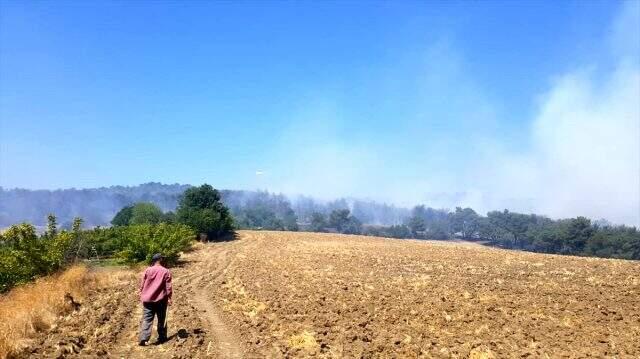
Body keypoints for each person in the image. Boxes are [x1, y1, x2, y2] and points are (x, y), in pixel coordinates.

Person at [138, 253, 173, 346]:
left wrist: (140, 291)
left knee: (147, 318)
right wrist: (169, 297)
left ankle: (143, 338)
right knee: (161, 319)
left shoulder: (148, 270)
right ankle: (162, 338)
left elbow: (143, 283)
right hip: (161, 300)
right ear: (160, 260)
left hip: (148, 299)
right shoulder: (166, 271)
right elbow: (168, 287)